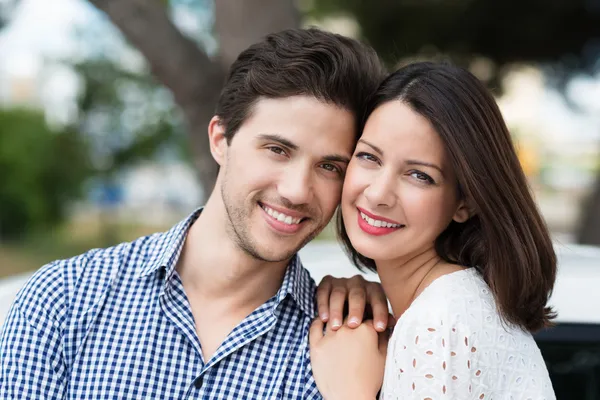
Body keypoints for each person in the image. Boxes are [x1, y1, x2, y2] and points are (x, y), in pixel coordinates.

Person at [0, 28, 390, 399]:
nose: (296, 191)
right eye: (277, 150)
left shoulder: (348, 353)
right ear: (220, 140)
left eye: (329, 167)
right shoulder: (62, 301)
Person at [310, 62, 557, 399]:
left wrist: (349, 392)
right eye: (369, 157)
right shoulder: (458, 305)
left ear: (464, 203)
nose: (379, 194)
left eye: (419, 175)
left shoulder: (437, 325)